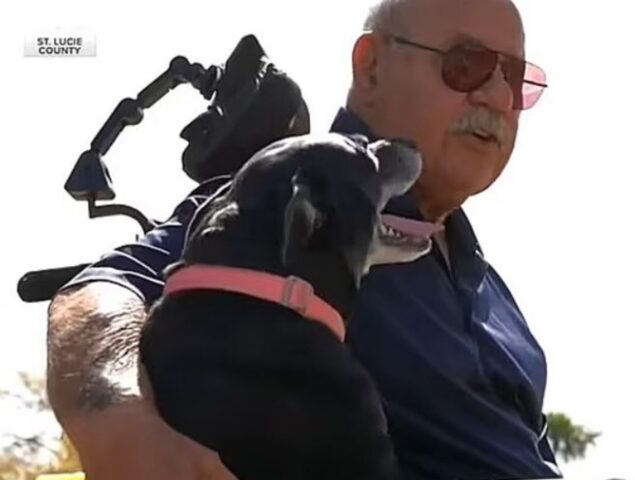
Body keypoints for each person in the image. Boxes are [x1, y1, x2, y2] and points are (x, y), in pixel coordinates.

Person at [46, 0, 561, 478]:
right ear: (372, 66)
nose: (496, 97)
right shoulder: (279, 205)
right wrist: (119, 422)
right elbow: (104, 286)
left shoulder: (492, 288)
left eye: (513, 78)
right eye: (467, 64)